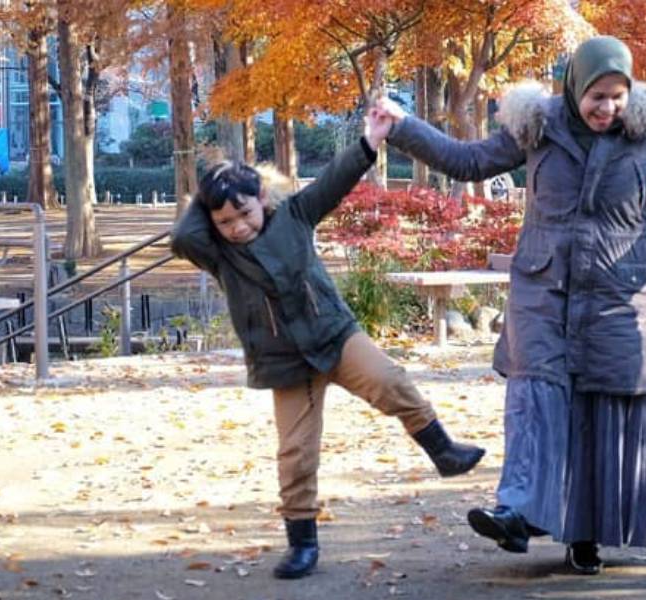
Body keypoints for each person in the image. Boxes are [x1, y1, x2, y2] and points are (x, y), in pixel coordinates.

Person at [380, 35, 646, 574]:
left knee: (601, 415)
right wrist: (402, 126)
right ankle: (515, 511)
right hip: (542, 291)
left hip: (617, 298)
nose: (606, 108)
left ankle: (585, 536)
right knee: (535, 399)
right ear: (575, 86)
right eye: (597, 96)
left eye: (617, 96)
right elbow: (468, 162)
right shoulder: (537, 128)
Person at [169, 105, 485, 581]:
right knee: (295, 452)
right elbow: (182, 236)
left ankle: (443, 451)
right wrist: (211, 187)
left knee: (391, 381)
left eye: (245, 213)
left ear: (263, 197)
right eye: (225, 221)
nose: (238, 227)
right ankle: (302, 543)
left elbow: (333, 181)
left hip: (334, 336)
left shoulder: (295, 213)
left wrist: (370, 142)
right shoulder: (219, 255)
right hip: (283, 362)